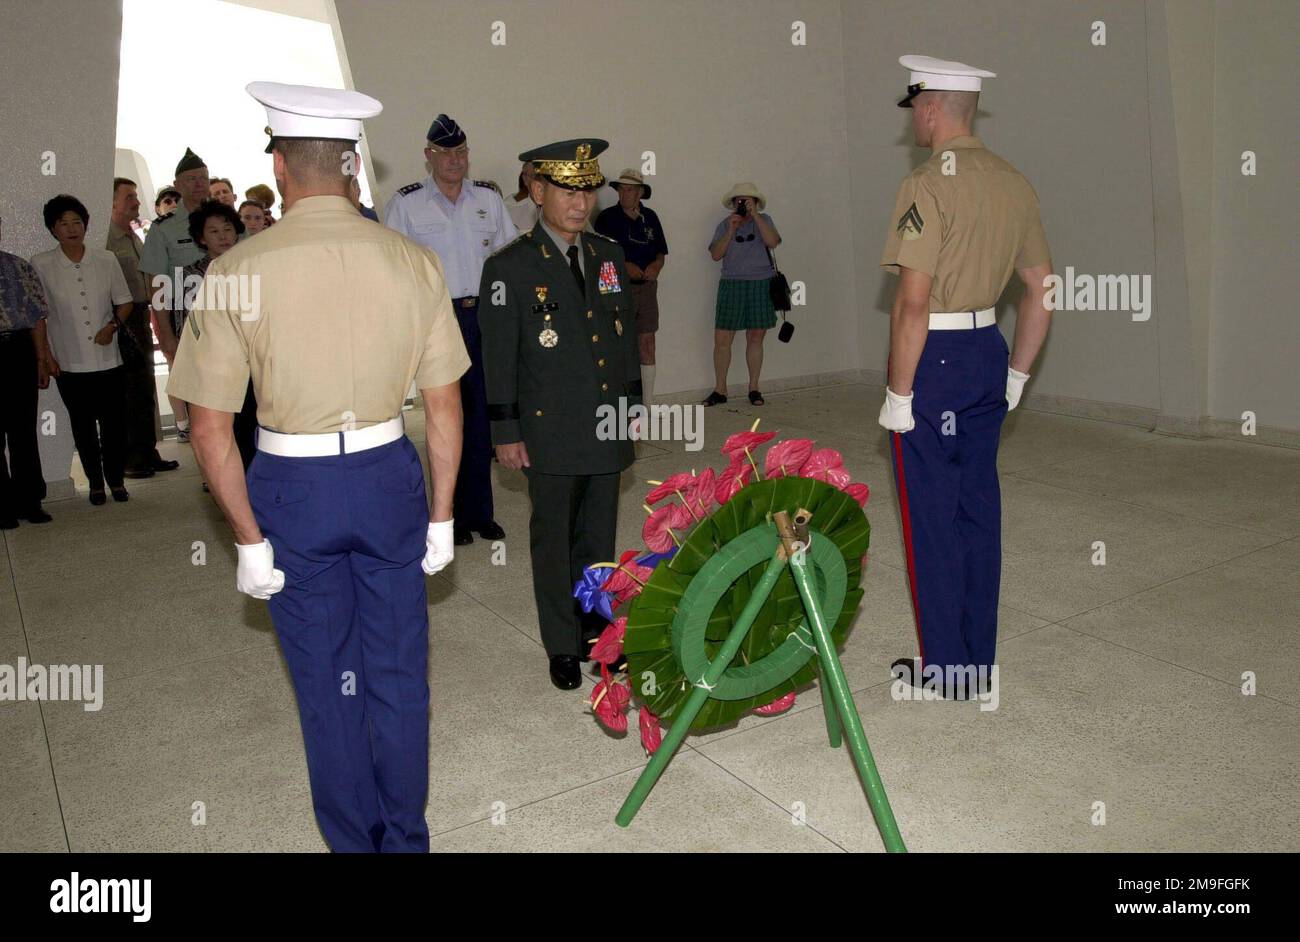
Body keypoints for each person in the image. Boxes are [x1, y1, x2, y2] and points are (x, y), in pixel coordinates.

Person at [167, 80, 468, 853]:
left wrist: (247, 538)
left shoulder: (235, 270)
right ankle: (407, 839)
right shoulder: (413, 260)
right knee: (398, 679)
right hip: (385, 478)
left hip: (292, 492)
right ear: (354, 163)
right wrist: (441, 517)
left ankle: (354, 844)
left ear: (280, 162)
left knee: (327, 689)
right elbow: (443, 410)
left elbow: (207, 431)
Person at [878, 56, 1053, 698]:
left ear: (928, 107)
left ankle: (946, 671)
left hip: (936, 362)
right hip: (986, 353)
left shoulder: (928, 184)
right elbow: (1041, 290)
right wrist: (1016, 376)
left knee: (931, 517)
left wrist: (900, 393)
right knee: (978, 511)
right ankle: (980, 663)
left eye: (915, 108)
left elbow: (913, 303)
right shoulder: (1014, 182)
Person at [479, 139, 641, 691]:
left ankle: (599, 638)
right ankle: (561, 646)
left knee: (598, 540)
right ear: (538, 191)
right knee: (554, 543)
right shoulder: (510, 267)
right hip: (547, 430)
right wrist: (506, 430)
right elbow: (497, 360)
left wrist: (631, 408)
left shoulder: (608, 255)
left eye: (588, 190)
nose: (580, 202)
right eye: (568, 190)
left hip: (604, 424)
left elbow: (622, 340)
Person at [384, 113, 515, 546]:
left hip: (484, 317)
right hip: (439, 318)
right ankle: (450, 516)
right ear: (429, 156)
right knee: (445, 417)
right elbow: (394, 269)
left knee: (481, 419)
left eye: (461, 152)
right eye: (445, 153)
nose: (454, 160)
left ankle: (481, 513)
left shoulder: (489, 201)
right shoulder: (406, 205)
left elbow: (507, 259)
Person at [30, 195, 134, 505]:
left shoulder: (105, 259)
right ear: (53, 229)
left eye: (77, 222)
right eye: (64, 223)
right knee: (83, 426)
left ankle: (116, 480)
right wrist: (44, 355)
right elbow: (39, 314)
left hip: (108, 359)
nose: (72, 229)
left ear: (86, 225)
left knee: (114, 424)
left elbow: (125, 301)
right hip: (69, 362)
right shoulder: (42, 263)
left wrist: (112, 326)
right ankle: (95, 483)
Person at [107, 177, 180, 478]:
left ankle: (148, 452)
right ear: (111, 202)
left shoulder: (135, 235)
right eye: (129, 197)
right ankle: (131, 458)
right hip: (121, 318)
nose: (136, 202)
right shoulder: (106, 239)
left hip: (141, 314)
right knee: (128, 390)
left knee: (145, 386)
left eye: (136, 197)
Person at [179, 200, 259, 471]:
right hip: (214, 365)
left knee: (254, 426)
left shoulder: (252, 266)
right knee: (223, 430)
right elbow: (188, 326)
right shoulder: (192, 274)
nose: (223, 236)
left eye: (227, 228)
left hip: (253, 362)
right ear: (201, 237)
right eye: (213, 231)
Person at [140, 147, 210, 442]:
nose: (199, 184)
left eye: (203, 178)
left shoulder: (227, 220)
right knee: (200, 398)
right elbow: (157, 285)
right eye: (191, 179)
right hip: (188, 324)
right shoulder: (163, 230)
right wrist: (166, 336)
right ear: (178, 185)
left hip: (231, 319)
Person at [0, 213, 56, 527]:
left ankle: (30, 501)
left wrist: (42, 359)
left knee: (23, 431)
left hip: (19, 350)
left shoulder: (18, 266)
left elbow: (38, 318)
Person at [705, 182, 781, 407]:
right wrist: (731, 230)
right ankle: (720, 389)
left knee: (756, 337)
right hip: (732, 284)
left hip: (761, 283)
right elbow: (715, 255)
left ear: (756, 203)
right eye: (740, 200)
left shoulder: (764, 220)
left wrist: (756, 216)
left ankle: (754, 387)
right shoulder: (725, 224)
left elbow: (773, 242)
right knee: (722, 340)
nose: (743, 204)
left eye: (748, 201)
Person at [595, 169, 667, 406]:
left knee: (647, 341)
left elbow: (660, 252)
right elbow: (598, 256)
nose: (626, 194)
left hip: (646, 287)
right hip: (615, 288)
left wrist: (656, 266)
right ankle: (617, 401)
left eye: (631, 190)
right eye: (622, 189)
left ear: (640, 193)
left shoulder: (651, 217)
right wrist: (624, 266)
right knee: (615, 343)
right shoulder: (606, 218)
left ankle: (646, 403)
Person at [505, 160, 539, 233]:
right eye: (535, 176)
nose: (541, 181)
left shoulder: (560, 207)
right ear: (525, 179)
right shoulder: (510, 210)